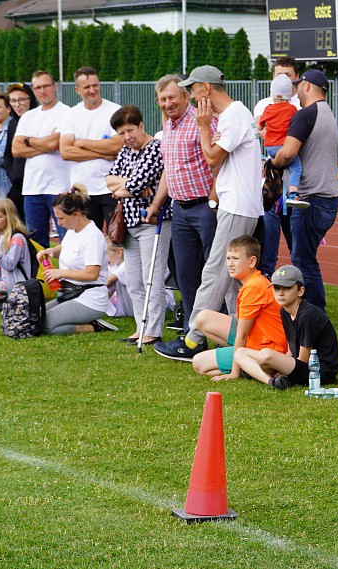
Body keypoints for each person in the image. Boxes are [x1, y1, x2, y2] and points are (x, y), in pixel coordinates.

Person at [157, 65, 263, 363]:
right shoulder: (234, 115)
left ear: (206, 88)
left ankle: (192, 340)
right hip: (236, 203)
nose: (189, 94)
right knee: (231, 276)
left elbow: (212, 157)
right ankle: (239, 338)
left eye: (191, 88)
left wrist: (203, 127)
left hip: (239, 205)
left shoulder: (233, 115)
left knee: (216, 270)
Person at [144, 73, 218, 361]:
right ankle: (193, 338)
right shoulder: (168, 126)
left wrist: (214, 198)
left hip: (205, 207)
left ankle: (224, 334)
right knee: (186, 275)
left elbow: (217, 160)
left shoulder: (204, 120)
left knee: (215, 273)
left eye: (172, 97)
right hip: (180, 210)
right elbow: (169, 170)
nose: (167, 103)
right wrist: (156, 203)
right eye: (162, 99)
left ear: (186, 96)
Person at [267, 69, 338, 311]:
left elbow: (287, 153)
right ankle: (308, 310)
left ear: (307, 87)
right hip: (328, 197)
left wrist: (272, 163)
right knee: (304, 256)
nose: (295, 89)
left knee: (304, 261)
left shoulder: (305, 114)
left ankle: (314, 313)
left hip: (309, 197)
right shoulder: (328, 114)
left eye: (299, 85)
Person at [105, 103, 171, 345]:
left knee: (151, 277)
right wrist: (127, 186)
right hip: (129, 224)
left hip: (152, 221)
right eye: (121, 133)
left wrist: (126, 187)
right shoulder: (126, 151)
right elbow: (110, 180)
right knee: (133, 279)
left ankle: (153, 329)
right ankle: (139, 326)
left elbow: (132, 185)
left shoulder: (155, 148)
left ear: (141, 125)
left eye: (130, 131)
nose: (127, 137)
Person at [227, 264, 338, 390]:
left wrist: (281, 367)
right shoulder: (284, 311)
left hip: (319, 371)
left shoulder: (307, 316)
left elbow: (303, 359)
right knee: (239, 352)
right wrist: (281, 365)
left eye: (287, 288)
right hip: (299, 364)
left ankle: (263, 373)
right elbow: (290, 350)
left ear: (300, 291)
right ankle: (272, 381)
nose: (280, 293)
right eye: (276, 288)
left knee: (265, 355)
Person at [189, 235, 288, 380]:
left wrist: (234, 373)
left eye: (235, 259)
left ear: (252, 261)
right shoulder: (254, 281)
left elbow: (242, 335)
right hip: (258, 338)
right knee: (203, 318)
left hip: (266, 348)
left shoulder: (253, 287)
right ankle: (244, 361)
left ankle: (250, 366)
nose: (230, 264)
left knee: (198, 363)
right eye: (228, 258)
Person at [35, 185, 115, 334]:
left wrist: (61, 273)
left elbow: (92, 274)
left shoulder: (92, 236)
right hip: (70, 293)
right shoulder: (73, 230)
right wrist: (50, 251)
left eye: (61, 218)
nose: (58, 223)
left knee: (44, 326)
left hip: (90, 299)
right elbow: (64, 249)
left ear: (75, 214)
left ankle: (92, 327)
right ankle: (83, 320)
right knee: (35, 318)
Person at [12, 71, 71, 247]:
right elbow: (16, 149)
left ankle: (68, 275)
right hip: (32, 189)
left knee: (67, 240)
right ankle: (41, 275)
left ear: (55, 87)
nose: (42, 91)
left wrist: (29, 140)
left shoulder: (67, 113)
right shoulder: (28, 116)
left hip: (59, 186)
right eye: (38, 87)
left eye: (46, 86)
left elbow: (54, 143)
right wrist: (45, 144)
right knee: (36, 243)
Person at [254, 57, 301, 276]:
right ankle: (266, 280)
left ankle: (300, 284)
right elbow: (259, 130)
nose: (282, 79)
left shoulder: (300, 105)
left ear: (296, 79)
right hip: (272, 185)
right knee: (269, 237)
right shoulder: (265, 104)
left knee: (297, 244)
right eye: (278, 75)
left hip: (288, 175)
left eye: (287, 75)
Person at [60, 67, 122, 229]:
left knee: (115, 240)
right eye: (87, 87)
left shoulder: (115, 111)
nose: (92, 90)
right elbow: (66, 151)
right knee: (86, 240)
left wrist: (82, 143)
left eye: (95, 85)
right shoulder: (71, 114)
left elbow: (117, 145)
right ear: (77, 90)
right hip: (82, 190)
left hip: (110, 188)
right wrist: (103, 153)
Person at [259, 73, 303, 200]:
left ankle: (272, 192)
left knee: (277, 170)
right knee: (296, 168)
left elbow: (260, 126)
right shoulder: (292, 109)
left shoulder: (268, 108)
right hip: (283, 147)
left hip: (269, 147)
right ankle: (293, 192)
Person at [3, 83, 35, 219]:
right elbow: (8, 153)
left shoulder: (38, 120)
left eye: (22, 100)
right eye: (13, 100)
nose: (17, 104)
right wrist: (12, 173)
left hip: (35, 182)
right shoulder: (12, 123)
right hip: (17, 183)